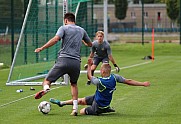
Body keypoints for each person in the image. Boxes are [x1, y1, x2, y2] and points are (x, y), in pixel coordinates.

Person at [34, 12, 92, 116]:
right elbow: (90, 44)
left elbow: (56, 39)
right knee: (73, 84)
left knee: (47, 80)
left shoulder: (63, 28)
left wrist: (42, 48)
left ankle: (46, 89)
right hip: (76, 62)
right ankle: (74, 109)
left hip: (63, 60)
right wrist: (84, 41)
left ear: (66, 20)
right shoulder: (81, 30)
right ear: (74, 20)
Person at [50, 58, 150, 116]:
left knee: (81, 111)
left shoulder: (99, 81)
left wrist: (89, 66)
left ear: (102, 71)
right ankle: (61, 103)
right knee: (80, 100)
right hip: (98, 98)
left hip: (98, 106)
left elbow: (89, 76)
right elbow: (128, 81)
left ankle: (105, 109)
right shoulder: (115, 77)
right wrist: (143, 84)